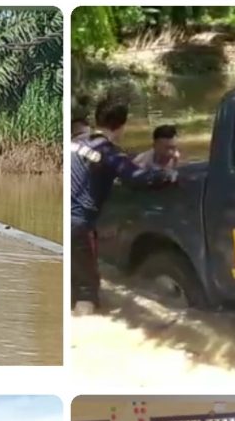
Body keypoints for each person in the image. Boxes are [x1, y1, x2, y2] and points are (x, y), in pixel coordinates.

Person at [71, 96, 178, 315]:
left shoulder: (75, 142)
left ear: (96, 118)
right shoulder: (110, 152)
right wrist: (167, 175)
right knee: (85, 292)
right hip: (79, 224)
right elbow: (137, 178)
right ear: (122, 125)